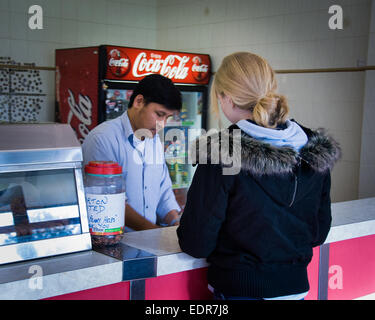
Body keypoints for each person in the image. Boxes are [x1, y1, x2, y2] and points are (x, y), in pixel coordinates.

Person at [177, 52, 341, 300]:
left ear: (226, 98)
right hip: (295, 290)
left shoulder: (222, 150)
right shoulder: (312, 146)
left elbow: (196, 242)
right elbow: (318, 232)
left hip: (239, 290)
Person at [82, 74, 182, 231]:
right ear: (139, 102)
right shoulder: (103, 139)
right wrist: (154, 233)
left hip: (147, 240)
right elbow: (110, 201)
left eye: (167, 118)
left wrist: (175, 223)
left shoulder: (154, 140)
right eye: (159, 114)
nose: (162, 124)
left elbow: (163, 190)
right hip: (112, 243)